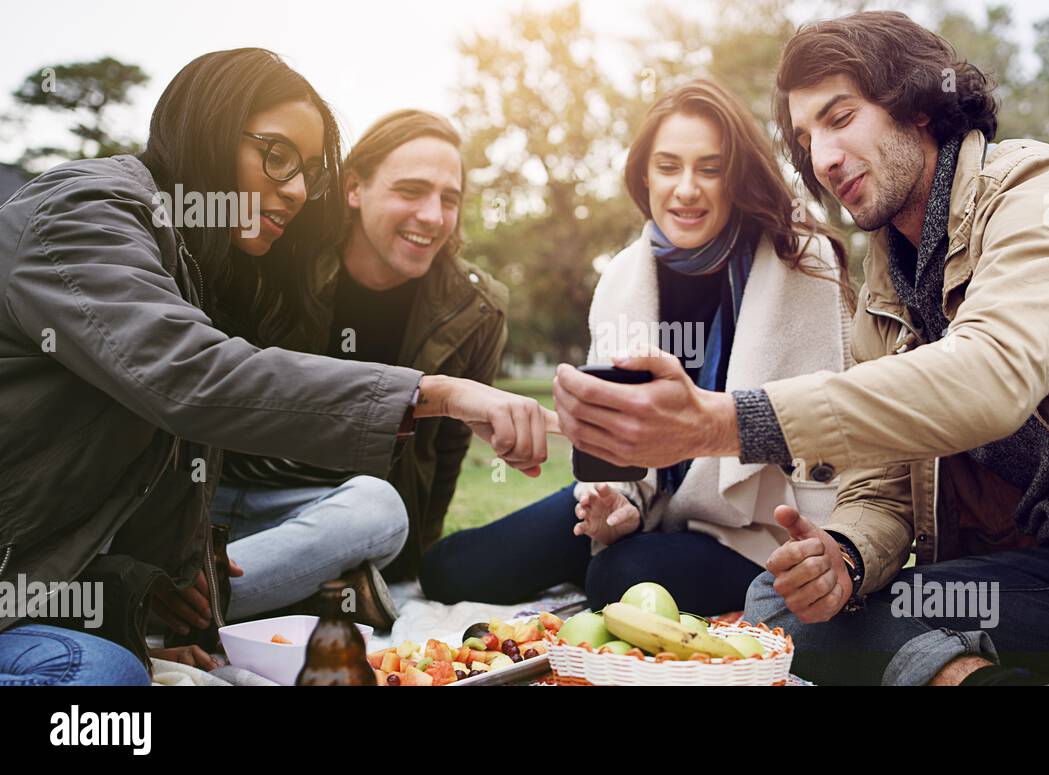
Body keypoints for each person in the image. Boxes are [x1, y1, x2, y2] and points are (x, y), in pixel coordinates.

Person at [552, 12, 1049, 684]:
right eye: (807, 138)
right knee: (781, 609)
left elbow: (989, 375)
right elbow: (880, 489)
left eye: (841, 118)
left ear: (918, 104)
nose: (824, 156)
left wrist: (723, 420)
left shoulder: (1044, 193)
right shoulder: (883, 286)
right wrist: (842, 556)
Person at [0, 48, 554, 684]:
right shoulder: (85, 214)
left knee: (375, 510)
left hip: (49, 584)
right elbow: (195, 378)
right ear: (209, 127)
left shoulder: (214, 264)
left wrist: (143, 589)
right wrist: (437, 393)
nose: (293, 189)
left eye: (307, 171)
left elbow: (130, 478)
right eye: (277, 155)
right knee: (102, 683)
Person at [421, 79, 853, 615]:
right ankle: (619, 553)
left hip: (755, 526)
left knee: (620, 575)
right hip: (653, 505)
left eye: (710, 169)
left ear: (737, 176)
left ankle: (622, 562)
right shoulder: (625, 276)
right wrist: (616, 507)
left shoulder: (799, 260)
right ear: (644, 174)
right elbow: (616, 441)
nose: (687, 189)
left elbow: (824, 434)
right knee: (448, 569)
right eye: (669, 167)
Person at [210, 110, 509, 628]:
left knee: (380, 508)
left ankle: (191, 603)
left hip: (328, 516)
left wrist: (412, 562)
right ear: (354, 188)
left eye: (449, 199)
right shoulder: (278, 255)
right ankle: (305, 594)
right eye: (410, 191)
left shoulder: (476, 308)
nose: (433, 216)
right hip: (214, 497)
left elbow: (444, 460)